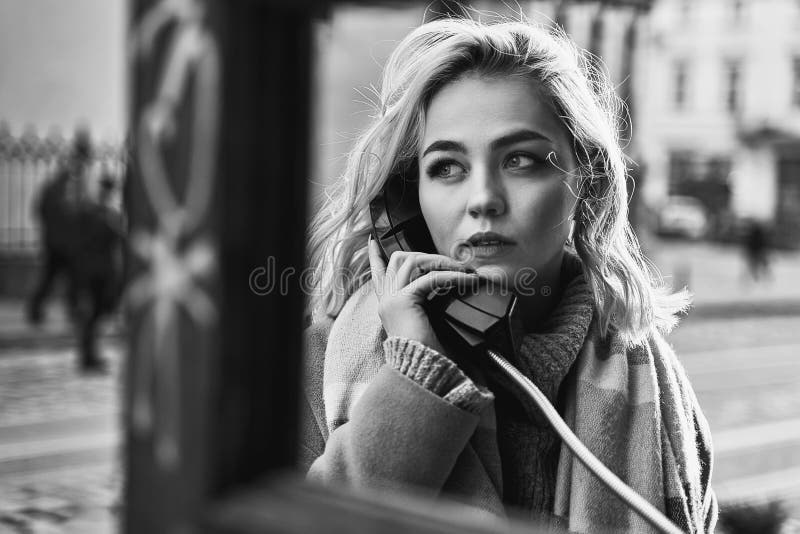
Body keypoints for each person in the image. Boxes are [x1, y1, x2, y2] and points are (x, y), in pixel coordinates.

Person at [300, 17, 717, 533]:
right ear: (404, 204)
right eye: (447, 167)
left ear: (583, 181)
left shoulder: (654, 384)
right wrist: (414, 377)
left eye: (520, 160)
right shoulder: (323, 359)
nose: (483, 200)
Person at [27, 129, 92, 325]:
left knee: (67, 278)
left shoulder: (66, 179)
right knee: (61, 277)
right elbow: (69, 209)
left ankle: (46, 310)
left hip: (61, 239)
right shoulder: (69, 179)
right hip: (62, 241)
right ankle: (39, 310)